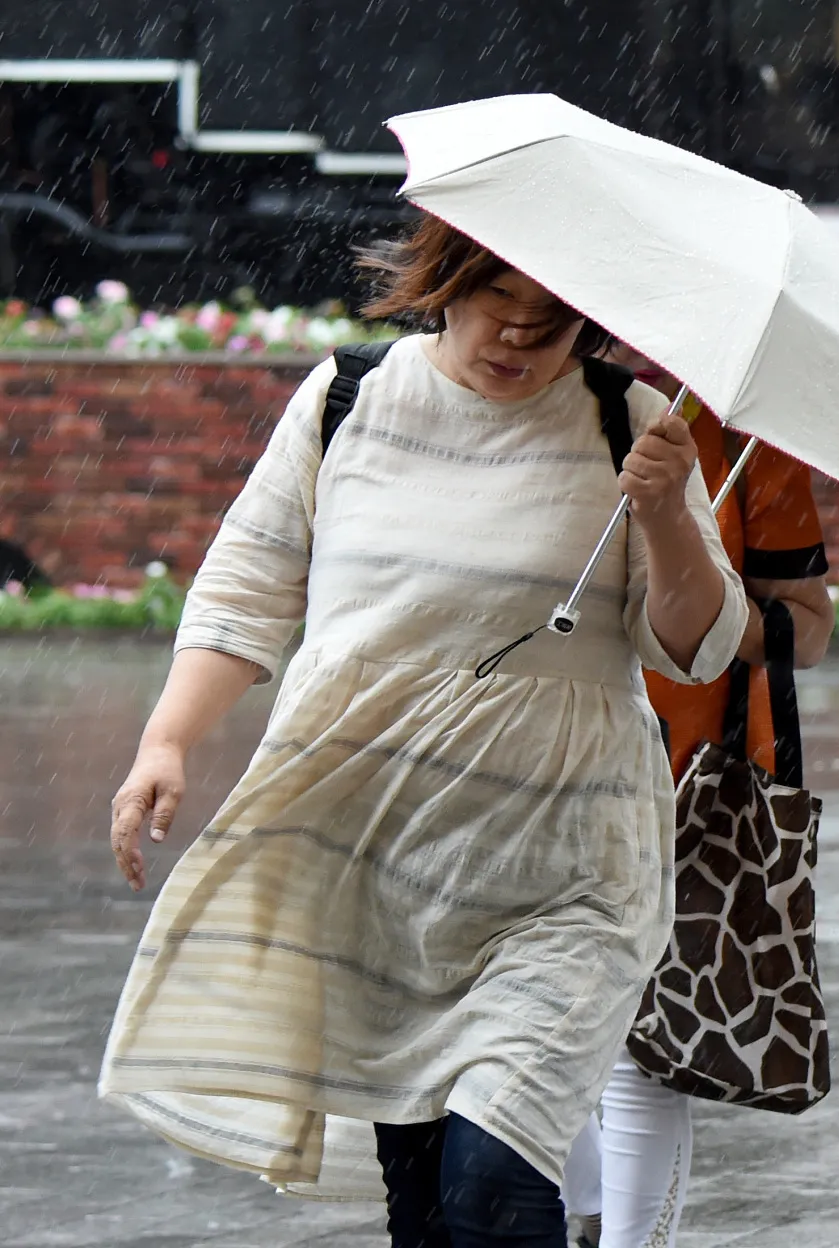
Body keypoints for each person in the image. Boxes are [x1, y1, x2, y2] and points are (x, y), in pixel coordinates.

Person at [99, 214, 749, 1248]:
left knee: (496, 1170)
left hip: (563, 875)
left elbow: (696, 648)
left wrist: (669, 513)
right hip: (377, 856)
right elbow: (247, 585)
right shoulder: (348, 398)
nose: (519, 341)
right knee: (424, 1196)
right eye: (500, 308)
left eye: (552, 326)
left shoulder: (631, 425)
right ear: (446, 282)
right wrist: (166, 742)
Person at [561, 344, 834, 1248]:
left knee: (644, 1052)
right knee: (534, 1020)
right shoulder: (534, 392)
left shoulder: (747, 429)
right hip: (529, 751)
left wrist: (700, 589)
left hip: (685, 777)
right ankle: (584, 1215)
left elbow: (808, 627)